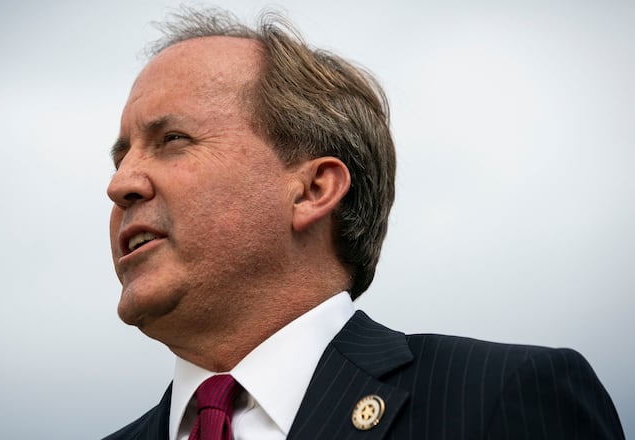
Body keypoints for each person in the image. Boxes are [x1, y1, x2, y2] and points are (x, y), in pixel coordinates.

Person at [103, 7, 624, 440]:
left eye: (172, 140)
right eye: (120, 158)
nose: (121, 184)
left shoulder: (497, 398)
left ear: (313, 190)